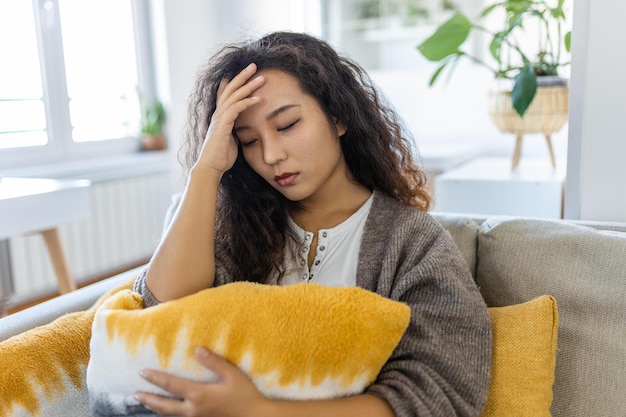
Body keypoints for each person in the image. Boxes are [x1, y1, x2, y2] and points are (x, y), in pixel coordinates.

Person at [132, 31, 492, 417]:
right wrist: (206, 169)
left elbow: (437, 395)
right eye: (249, 141)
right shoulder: (238, 230)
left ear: (337, 116)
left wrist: (260, 411)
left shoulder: (412, 242)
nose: (271, 155)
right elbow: (160, 309)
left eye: (286, 125)